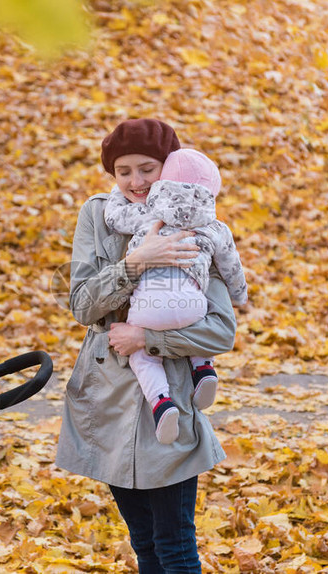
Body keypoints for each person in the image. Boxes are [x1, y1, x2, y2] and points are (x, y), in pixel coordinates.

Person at [55, 118, 237, 574]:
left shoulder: (197, 221)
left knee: (174, 547)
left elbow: (220, 330)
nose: (136, 182)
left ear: (169, 168)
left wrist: (148, 338)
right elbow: (81, 304)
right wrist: (135, 263)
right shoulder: (98, 215)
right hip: (109, 401)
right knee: (143, 543)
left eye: (147, 169)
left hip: (170, 401)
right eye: (124, 171)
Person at [103, 148, 247, 444]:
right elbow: (232, 265)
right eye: (124, 172)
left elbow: (116, 217)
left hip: (150, 302)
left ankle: (161, 403)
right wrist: (239, 295)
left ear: (163, 178)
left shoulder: (151, 212)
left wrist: (114, 194)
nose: (136, 181)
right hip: (194, 301)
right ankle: (203, 368)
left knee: (142, 356)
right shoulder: (214, 224)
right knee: (191, 324)